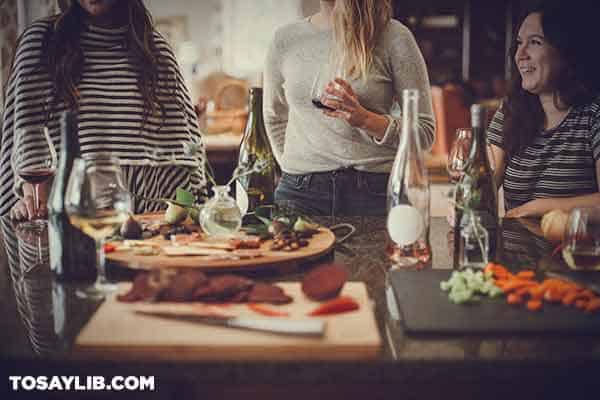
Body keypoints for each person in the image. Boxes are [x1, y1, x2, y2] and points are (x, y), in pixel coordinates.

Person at [1, 0, 207, 220]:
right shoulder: (41, 42)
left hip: (148, 223)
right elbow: (28, 139)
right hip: (66, 220)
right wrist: (33, 202)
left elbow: (184, 157)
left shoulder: (155, 49)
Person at [263, 0, 435, 216]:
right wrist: (294, 167)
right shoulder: (285, 39)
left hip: (374, 193)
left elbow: (425, 132)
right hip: (299, 195)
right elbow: (274, 117)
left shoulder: (394, 36)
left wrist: (365, 119)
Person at [487, 0, 600, 218]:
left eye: (535, 42)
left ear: (566, 52)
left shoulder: (594, 115)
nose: (521, 54)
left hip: (576, 251)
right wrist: (468, 197)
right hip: (516, 252)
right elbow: (485, 178)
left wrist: (537, 207)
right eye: (519, 43)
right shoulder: (511, 110)